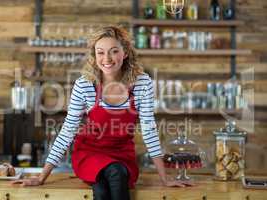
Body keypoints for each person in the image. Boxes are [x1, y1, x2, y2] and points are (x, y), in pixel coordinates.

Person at [12, 26, 189, 199]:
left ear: (125, 52)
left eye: (113, 51)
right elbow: (68, 131)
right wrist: (42, 176)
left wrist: (164, 178)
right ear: (94, 56)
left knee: (106, 185)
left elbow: (149, 130)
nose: (107, 58)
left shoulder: (142, 83)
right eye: (100, 52)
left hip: (123, 155)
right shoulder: (85, 85)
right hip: (90, 153)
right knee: (115, 172)